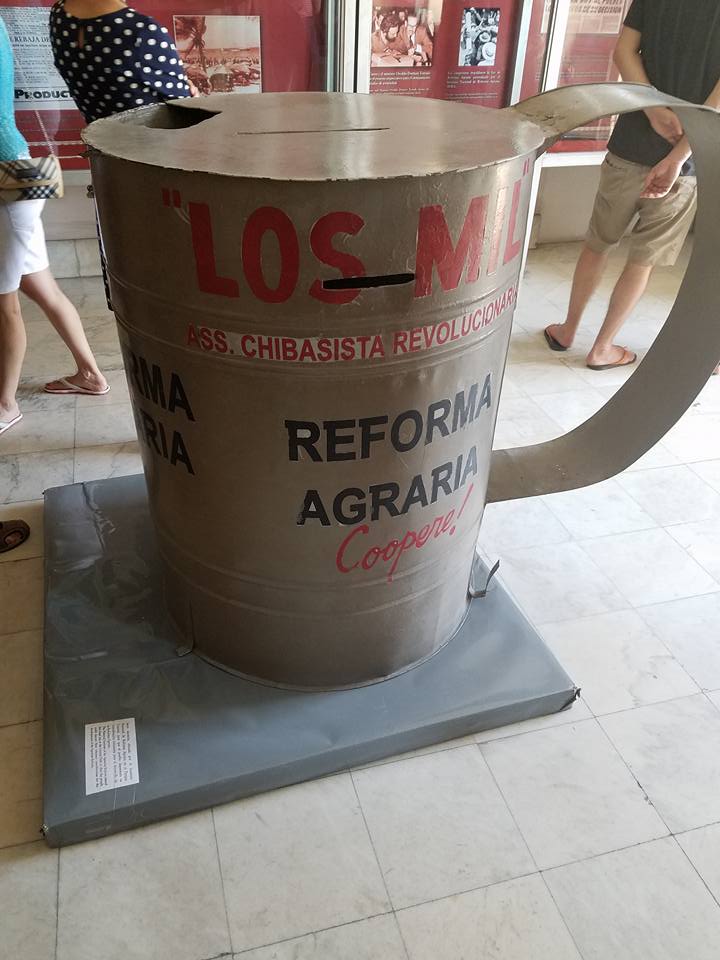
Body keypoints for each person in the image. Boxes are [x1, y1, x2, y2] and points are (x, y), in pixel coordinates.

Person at [543, 0, 720, 372]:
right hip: (687, 159)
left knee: (597, 243)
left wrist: (652, 110)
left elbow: (624, 50)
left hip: (630, 142)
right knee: (644, 260)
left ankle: (567, 330)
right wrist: (679, 156)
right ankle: (603, 348)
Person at [0, 16, 108, 446]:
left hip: (7, 183)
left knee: (5, 305)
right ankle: (91, 375)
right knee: (40, 287)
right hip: (18, 175)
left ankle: (5, 405)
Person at [49, 0, 193, 124]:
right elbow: (188, 114)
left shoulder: (59, 14)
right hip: (149, 145)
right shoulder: (141, 31)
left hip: (102, 142)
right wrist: (193, 96)